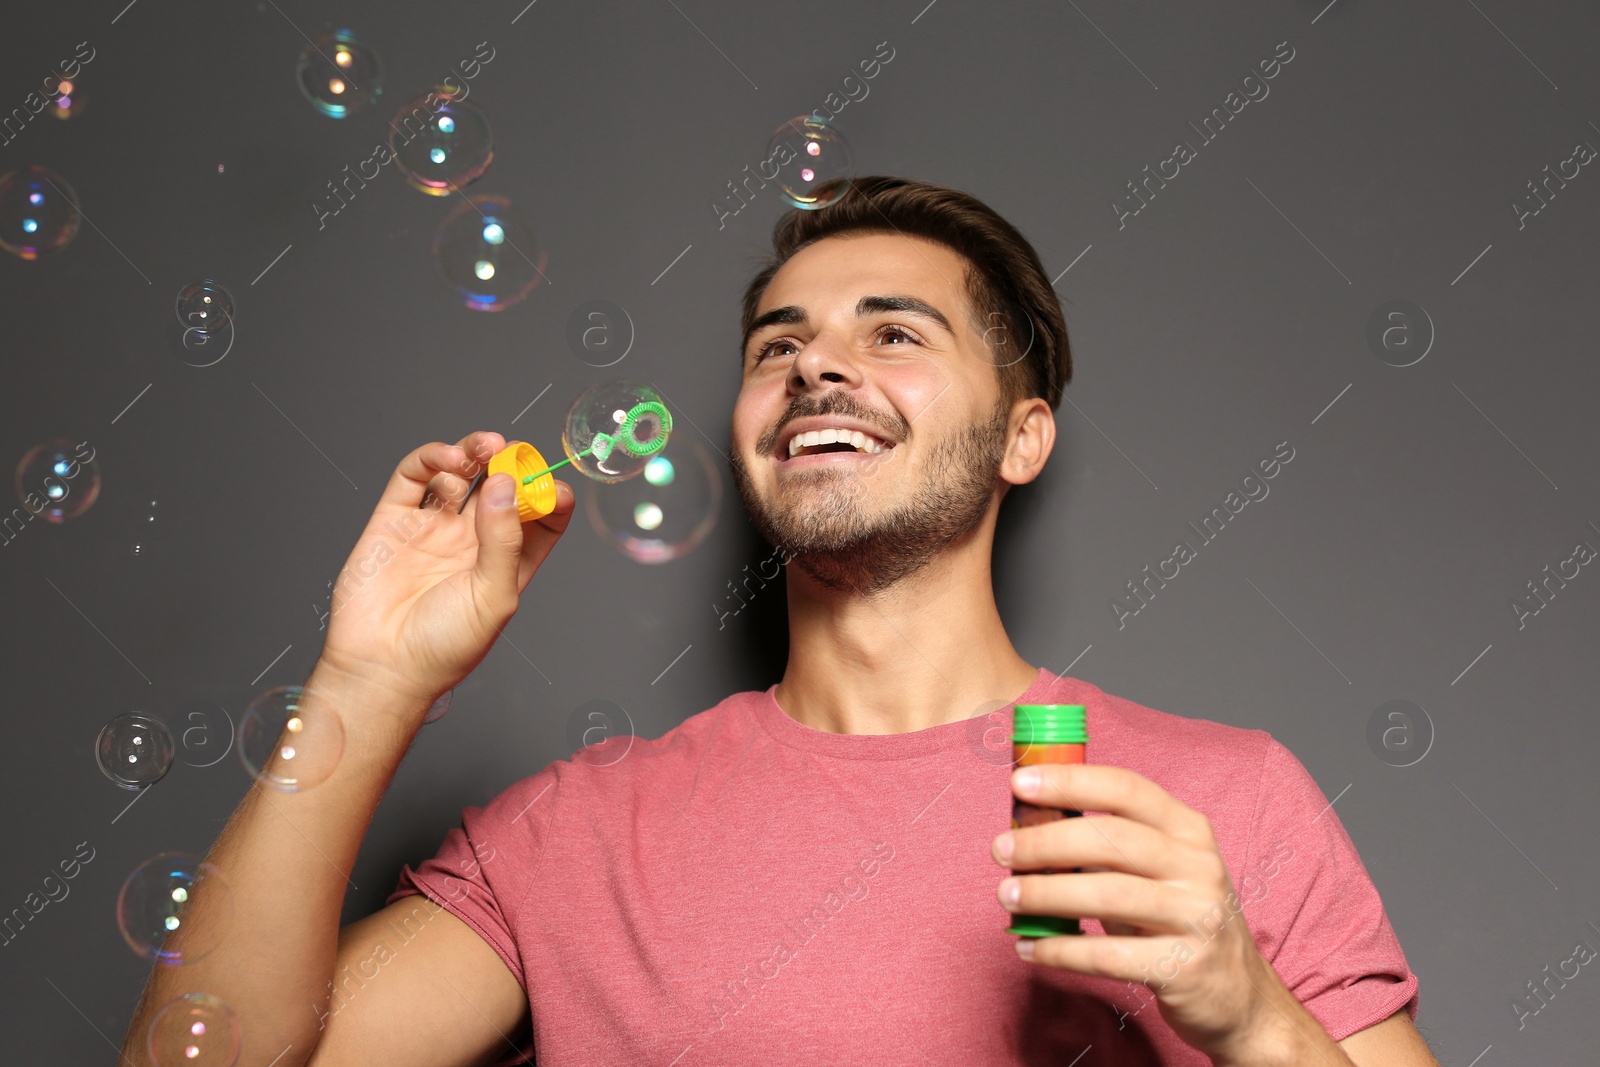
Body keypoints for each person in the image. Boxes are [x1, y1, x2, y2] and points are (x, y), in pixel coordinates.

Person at [122, 176, 1439, 1066]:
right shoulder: (577, 835)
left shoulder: (1222, 805)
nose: (816, 364)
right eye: (777, 345)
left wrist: (1256, 1017)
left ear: (1022, 438)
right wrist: (369, 677)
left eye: (895, 334)